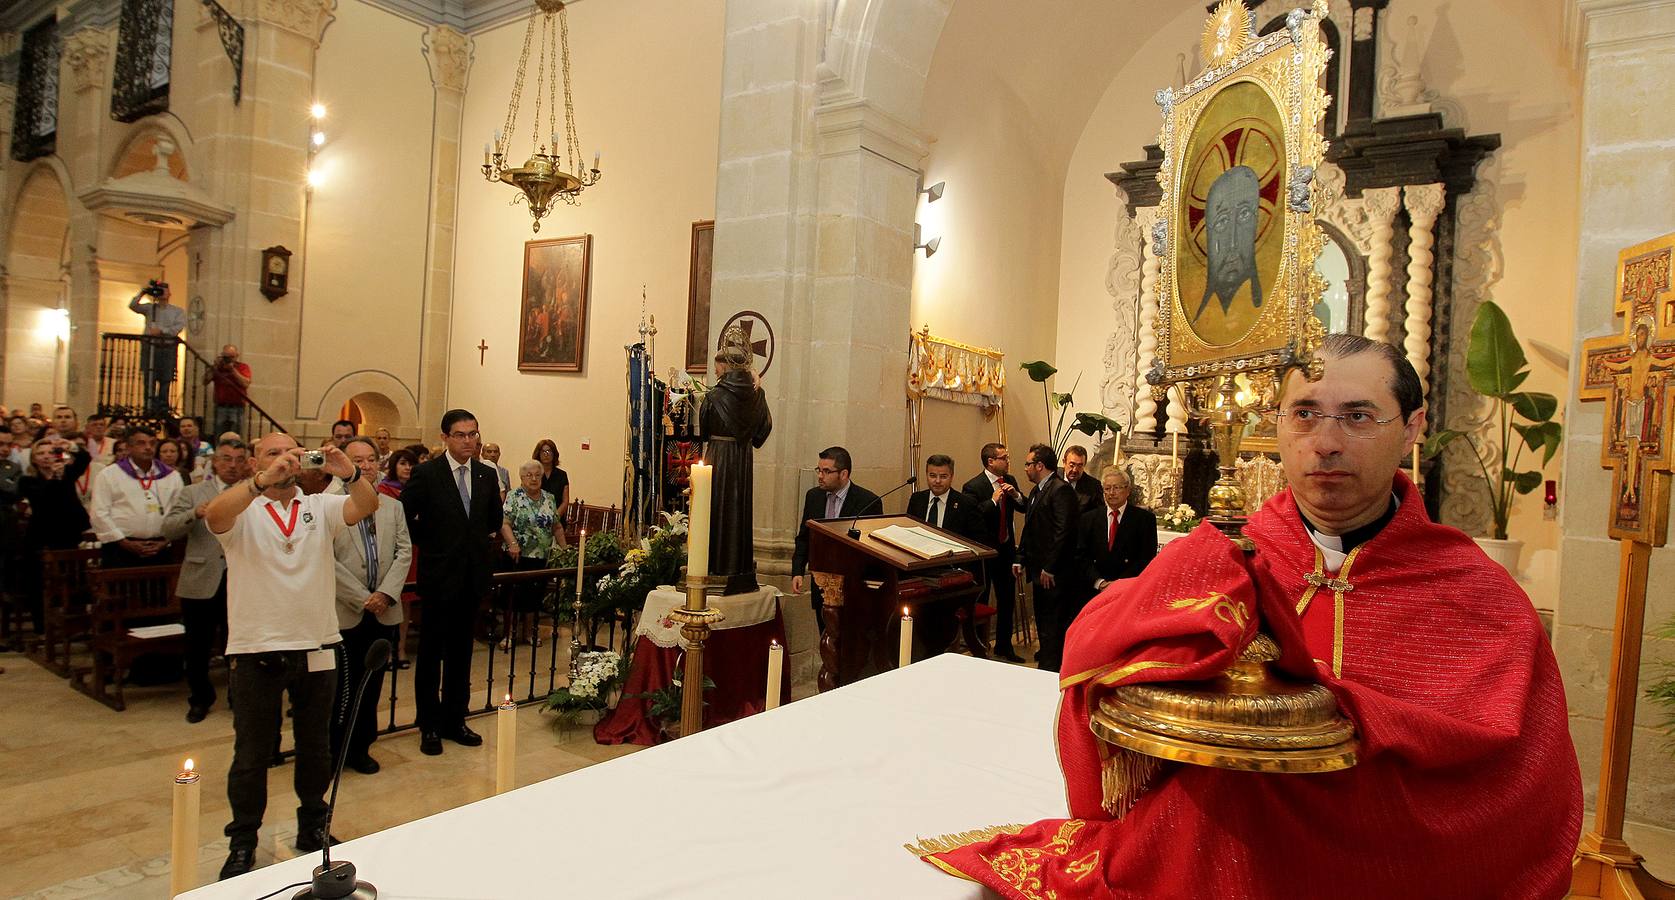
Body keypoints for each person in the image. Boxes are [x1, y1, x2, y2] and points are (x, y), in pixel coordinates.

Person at [925, 334, 1582, 898]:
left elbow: (1522, 785)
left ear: (1410, 428)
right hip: (1216, 857)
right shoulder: (1222, 555)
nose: (1324, 443)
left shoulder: (1473, 592)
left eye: (1357, 416)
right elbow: (1099, 648)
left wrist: (1347, 724)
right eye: (1304, 414)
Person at [204, 433, 378, 880]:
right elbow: (215, 516)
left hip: (316, 642)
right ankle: (243, 840)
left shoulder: (319, 506)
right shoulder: (245, 508)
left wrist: (349, 471)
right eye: (271, 454)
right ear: (254, 463)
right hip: (256, 647)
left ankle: (312, 825)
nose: (284, 461)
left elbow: (366, 505)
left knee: (315, 745)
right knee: (251, 753)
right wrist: (261, 483)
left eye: (291, 454)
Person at [402, 409, 504, 756]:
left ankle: (455, 719)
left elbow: (492, 518)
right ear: (445, 437)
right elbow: (407, 518)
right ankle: (429, 724)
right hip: (438, 576)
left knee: (462, 654)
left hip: (471, 578)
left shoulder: (486, 475)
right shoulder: (427, 473)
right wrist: (436, 542)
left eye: (473, 434)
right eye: (461, 435)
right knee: (431, 655)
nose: (469, 441)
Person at [330, 437, 411, 775]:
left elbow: (403, 551)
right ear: (344, 465)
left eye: (370, 459)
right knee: (340, 686)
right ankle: (335, 750)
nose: (365, 466)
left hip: (384, 609)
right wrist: (362, 596)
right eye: (357, 460)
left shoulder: (392, 506)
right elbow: (325, 560)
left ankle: (361, 746)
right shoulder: (328, 504)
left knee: (372, 683)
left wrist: (385, 594)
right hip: (346, 610)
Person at [162, 437, 250, 723]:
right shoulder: (193, 491)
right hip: (201, 577)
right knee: (197, 645)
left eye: (239, 460)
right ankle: (200, 697)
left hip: (240, 578)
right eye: (226, 459)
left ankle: (238, 696)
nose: (232, 466)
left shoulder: (252, 494)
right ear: (215, 461)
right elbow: (169, 529)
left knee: (236, 643)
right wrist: (195, 513)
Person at [701, 328, 774, 594]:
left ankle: (717, 566)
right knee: (738, 509)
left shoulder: (714, 396)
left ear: (724, 366)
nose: (716, 372)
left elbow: (705, 429)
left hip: (719, 457)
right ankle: (738, 566)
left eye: (716, 367)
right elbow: (763, 432)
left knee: (718, 508)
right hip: (742, 458)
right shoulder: (757, 395)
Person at [790, 446, 879, 628]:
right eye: (819, 470)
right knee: (826, 638)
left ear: (844, 474)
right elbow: (804, 537)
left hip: (852, 589)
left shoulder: (868, 502)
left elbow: (871, 551)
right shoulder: (813, 496)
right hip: (821, 586)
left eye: (826, 471)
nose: (820, 476)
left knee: (849, 647)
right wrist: (798, 570)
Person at [17, 437, 92, 631]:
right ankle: (42, 627)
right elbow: (43, 498)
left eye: (50, 453)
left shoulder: (66, 473)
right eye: (40, 454)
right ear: (33, 459)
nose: (46, 457)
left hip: (68, 534)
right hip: (41, 537)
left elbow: (84, 458)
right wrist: (54, 477)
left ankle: (75, 625)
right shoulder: (27, 480)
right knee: (39, 583)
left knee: (74, 579)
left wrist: (69, 447)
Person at [1016, 443, 1079, 671]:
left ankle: (1050, 670)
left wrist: (1050, 567)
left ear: (1039, 465)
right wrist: (1020, 558)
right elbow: (1030, 528)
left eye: (1028, 464)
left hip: (1053, 574)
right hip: (1038, 569)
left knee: (1053, 624)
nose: (1025, 468)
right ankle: (1046, 664)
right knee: (1042, 622)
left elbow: (1064, 532)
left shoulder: (1060, 490)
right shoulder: (1037, 490)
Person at [962, 443, 1024, 662]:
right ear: (990, 461)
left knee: (1007, 599)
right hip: (985, 553)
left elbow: (1024, 507)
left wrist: (1015, 495)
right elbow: (974, 517)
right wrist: (992, 501)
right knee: (982, 597)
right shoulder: (973, 486)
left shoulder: (1011, 481)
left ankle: (1005, 646)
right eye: (1003, 458)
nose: (1007, 461)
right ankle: (980, 647)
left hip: (1006, 550)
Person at [89, 426, 184, 568]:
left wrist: (166, 540)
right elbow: (99, 513)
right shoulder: (109, 475)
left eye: (152, 443)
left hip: (160, 548)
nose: (148, 448)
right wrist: (123, 542)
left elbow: (180, 511)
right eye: (141, 443)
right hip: (120, 548)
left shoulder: (171, 476)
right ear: (128, 447)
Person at [1075, 466, 1157, 616]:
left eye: (1117, 488)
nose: (1111, 493)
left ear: (1128, 490)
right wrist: (1099, 582)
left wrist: (1118, 584)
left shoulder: (1144, 520)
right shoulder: (1089, 518)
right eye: (1107, 488)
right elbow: (1081, 555)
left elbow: (1146, 558)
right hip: (1094, 590)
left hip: (1128, 592)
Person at [500, 460, 561, 649]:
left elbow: (556, 526)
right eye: (529, 475)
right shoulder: (514, 496)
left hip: (540, 555)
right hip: (516, 555)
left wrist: (566, 550)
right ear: (522, 477)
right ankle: (508, 634)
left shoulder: (549, 498)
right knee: (512, 596)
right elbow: (504, 523)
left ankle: (529, 633)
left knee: (534, 597)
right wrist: (513, 544)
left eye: (537, 475)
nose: (534, 479)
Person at [129, 280, 186, 415]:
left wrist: (161, 331)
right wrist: (143, 292)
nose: (161, 292)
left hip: (166, 347)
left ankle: (163, 406)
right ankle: (149, 405)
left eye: (164, 290)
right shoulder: (150, 308)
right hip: (150, 347)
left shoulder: (177, 311)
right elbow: (133, 306)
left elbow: (177, 328)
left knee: (166, 377)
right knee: (149, 376)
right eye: (159, 289)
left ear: (169, 293)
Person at [905, 454, 979, 541]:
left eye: (943, 477)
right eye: (932, 476)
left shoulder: (966, 504)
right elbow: (909, 532)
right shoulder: (917, 499)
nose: (937, 481)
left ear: (951, 477)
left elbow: (976, 541)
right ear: (926, 475)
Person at [205, 344, 253, 438]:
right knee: (219, 434)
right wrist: (215, 367)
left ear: (237, 356)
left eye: (232, 357)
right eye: (226, 357)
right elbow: (205, 380)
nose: (229, 359)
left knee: (236, 435)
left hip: (237, 407)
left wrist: (233, 370)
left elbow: (245, 383)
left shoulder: (242, 367)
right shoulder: (217, 368)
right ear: (222, 355)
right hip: (221, 406)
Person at [1061, 444, 1102, 514]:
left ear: (1084, 465)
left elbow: (1097, 514)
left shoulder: (1094, 486)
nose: (1075, 470)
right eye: (1072, 465)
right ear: (1064, 462)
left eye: (1080, 466)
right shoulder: (1053, 478)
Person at [532, 439, 571, 514]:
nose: (546, 454)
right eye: (543, 451)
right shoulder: (533, 475)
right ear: (538, 454)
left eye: (549, 451)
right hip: (535, 518)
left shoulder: (562, 475)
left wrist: (554, 518)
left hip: (557, 518)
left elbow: (565, 502)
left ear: (554, 454)